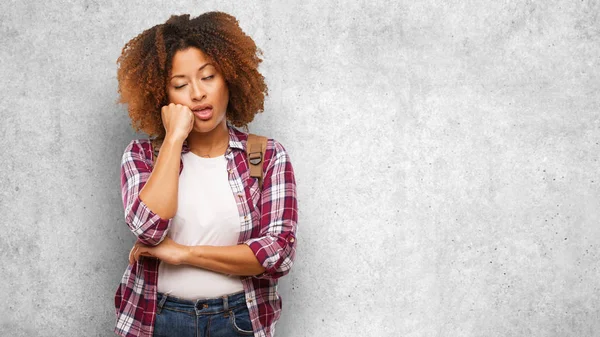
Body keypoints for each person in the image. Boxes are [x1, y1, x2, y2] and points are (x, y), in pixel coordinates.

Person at [113, 11, 298, 337]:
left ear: (230, 78)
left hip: (238, 319)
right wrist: (173, 139)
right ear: (163, 95)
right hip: (160, 319)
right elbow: (149, 228)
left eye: (208, 77)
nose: (197, 93)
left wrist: (183, 254)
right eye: (180, 85)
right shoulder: (141, 156)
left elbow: (276, 254)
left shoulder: (268, 156)